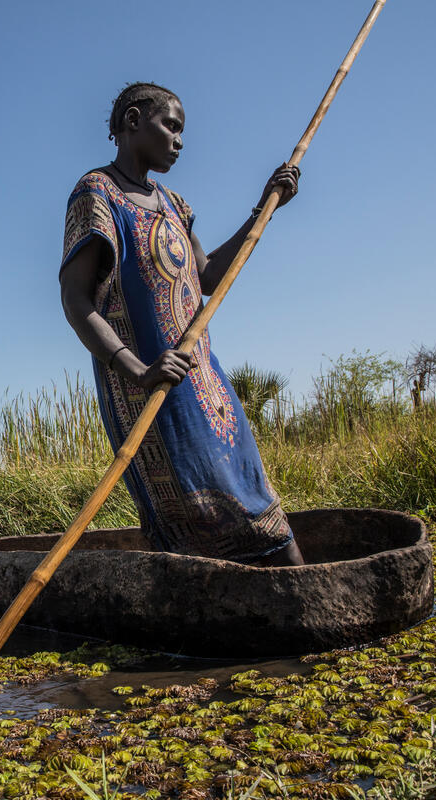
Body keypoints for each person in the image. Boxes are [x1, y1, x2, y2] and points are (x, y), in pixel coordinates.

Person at [59, 82, 305, 567]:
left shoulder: (175, 204)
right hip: (149, 389)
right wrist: (137, 369)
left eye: (181, 130)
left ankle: (294, 587)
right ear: (133, 121)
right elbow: (75, 299)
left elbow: (209, 274)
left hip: (206, 382)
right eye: (170, 125)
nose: (179, 139)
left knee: (254, 495)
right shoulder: (97, 192)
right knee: (198, 512)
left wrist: (265, 208)